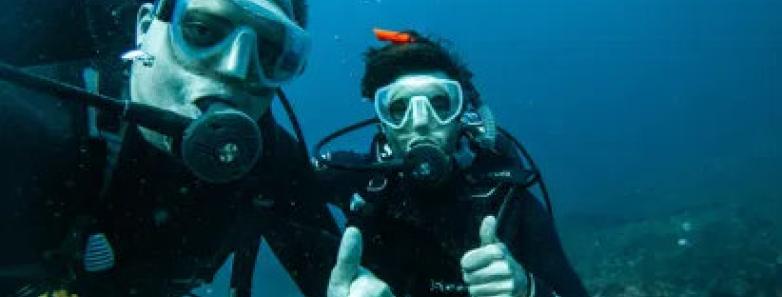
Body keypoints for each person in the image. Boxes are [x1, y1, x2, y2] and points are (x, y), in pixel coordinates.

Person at [0, 0, 340, 296]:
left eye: (266, 54)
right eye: (202, 31)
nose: (235, 68)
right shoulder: (32, 121)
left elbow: (337, 278)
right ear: (145, 27)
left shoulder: (269, 162)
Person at [316, 29, 589, 297]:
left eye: (440, 103)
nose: (420, 121)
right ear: (382, 122)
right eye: (399, 109)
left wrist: (526, 290)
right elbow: (274, 178)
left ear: (461, 114)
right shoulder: (355, 181)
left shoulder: (506, 199)